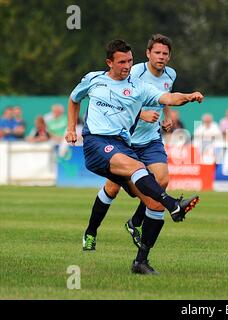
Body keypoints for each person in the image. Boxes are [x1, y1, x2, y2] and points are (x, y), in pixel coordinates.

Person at [65, 39, 203, 275]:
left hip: (123, 146)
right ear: (109, 62)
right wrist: (70, 129)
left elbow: (168, 98)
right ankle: (171, 205)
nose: (127, 66)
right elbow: (74, 99)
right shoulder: (94, 79)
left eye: (129, 60)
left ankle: (141, 261)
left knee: (153, 203)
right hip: (96, 144)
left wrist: (189, 96)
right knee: (134, 171)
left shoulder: (138, 86)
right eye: (122, 62)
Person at [82, 34, 180, 255]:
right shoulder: (133, 72)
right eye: (157, 52)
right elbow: (124, 99)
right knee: (112, 187)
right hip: (125, 139)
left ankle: (135, 222)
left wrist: (167, 115)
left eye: (165, 53)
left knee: (161, 181)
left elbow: (162, 97)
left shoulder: (170, 74)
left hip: (150, 138)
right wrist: (142, 113)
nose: (161, 57)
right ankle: (91, 231)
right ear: (147, 54)